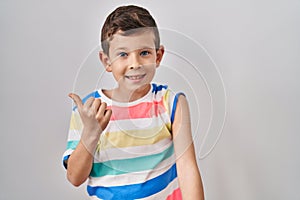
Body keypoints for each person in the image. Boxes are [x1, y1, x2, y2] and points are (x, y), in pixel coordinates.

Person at [63, 5, 204, 200]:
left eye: (144, 52)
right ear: (107, 61)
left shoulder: (171, 103)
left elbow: (187, 168)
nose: (135, 63)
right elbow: (75, 177)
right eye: (123, 54)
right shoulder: (90, 110)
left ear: (158, 56)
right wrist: (90, 135)